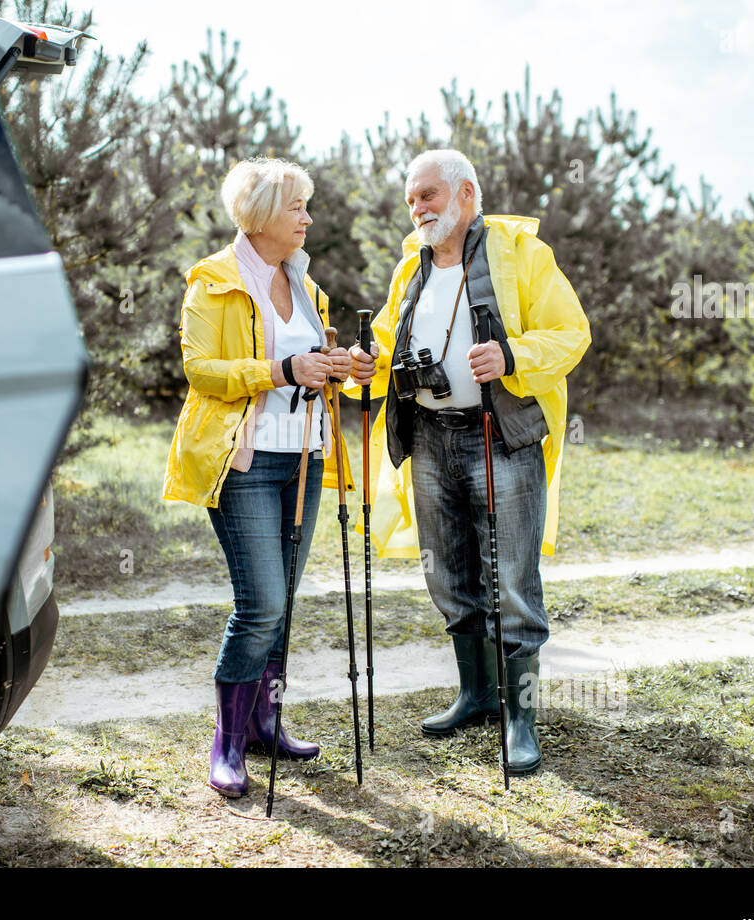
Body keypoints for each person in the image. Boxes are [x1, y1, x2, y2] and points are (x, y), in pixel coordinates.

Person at [348, 149, 590, 775]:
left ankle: (520, 717)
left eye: (427, 195)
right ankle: (476, 695)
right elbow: (382, 350)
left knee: (511, 579)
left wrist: (511, 357)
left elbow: (572, 333)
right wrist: (357, 368)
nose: (417, 208)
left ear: (466, 195)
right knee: (450, 575)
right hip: (429, 438)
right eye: (410, 199)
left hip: (501, 435)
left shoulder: (521, 255)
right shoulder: (412, 270)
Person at [163, 157, 354, 798]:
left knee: (286, 605)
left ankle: (266, 723)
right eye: (297, 206)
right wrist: (281, 370)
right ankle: (228, 739)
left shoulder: (306, 286)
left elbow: (309, 363)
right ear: (262, 213)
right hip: (243, 461)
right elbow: (201, 371)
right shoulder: (212, 281)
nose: (307, 217)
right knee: (262, 603)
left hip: (306, 457)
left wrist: (339, 365)